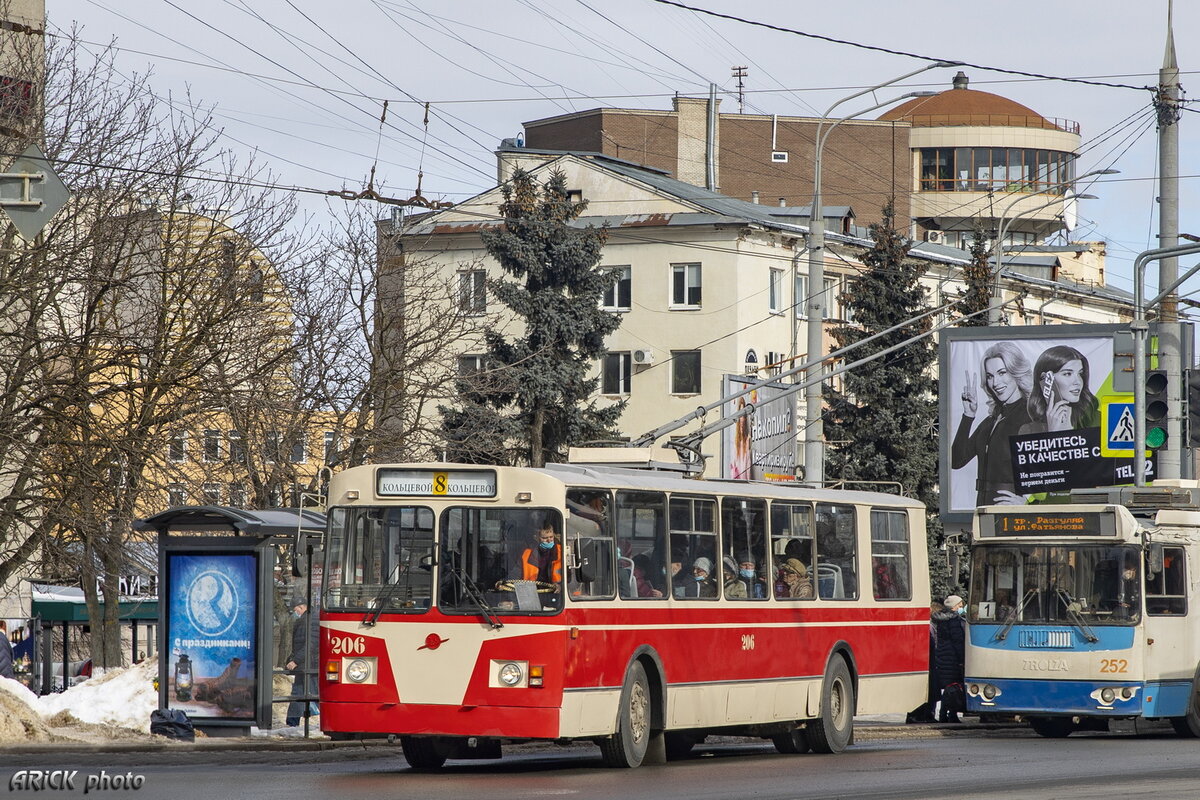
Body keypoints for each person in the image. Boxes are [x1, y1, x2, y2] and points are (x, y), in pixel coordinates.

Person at [950, 342, 1033, 506]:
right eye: (990, 376)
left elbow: (1053, 471)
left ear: (1016, 372)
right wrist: (968, 415)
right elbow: (956, 460)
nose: (995, 382)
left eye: (1002, 373)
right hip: (983, 509)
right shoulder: (991, 421)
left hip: (1011, 516)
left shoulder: (1031, 416)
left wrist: (1028, 503)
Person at [1021, 345, 1099, 435]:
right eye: (1067, 374)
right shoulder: (1029, 430)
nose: (1078, 382)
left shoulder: (1100, 420)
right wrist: (1054, 434)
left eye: (1080, 373)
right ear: (1046, 379)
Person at [285, 597, 320, 727]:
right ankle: (292, 724)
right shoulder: (305, 620)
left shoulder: (312, 620)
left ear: (301, 607)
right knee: (299, 693)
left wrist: (296, 660)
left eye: (296, 610)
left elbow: (311, 644)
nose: (296, 613)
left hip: (309, 664)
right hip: (305, 664)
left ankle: (294, 723)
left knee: (312, 694)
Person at [932, 595, 967, 723]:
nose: (961, 607)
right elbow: (958, 641)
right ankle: (951, 714)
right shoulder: (954, 621)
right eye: (959, 605)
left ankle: (943, 714)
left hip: (943, 657)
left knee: (948, 687)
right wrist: (962, 659)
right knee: (954, 687)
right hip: (953, 659)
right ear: (953, 607)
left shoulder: (941, 620)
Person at [906, 602, 942, 724]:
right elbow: (931, 644)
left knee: (927, 690)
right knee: (928, 689)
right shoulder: (928, 627)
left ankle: (923, 714)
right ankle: (923, 714)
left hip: (925, 661)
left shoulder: (926, 626)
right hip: (927, 662)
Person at [513, 520, 562, 585]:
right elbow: (516, 573)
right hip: (531, 591)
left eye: (551, 537)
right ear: (536, 538)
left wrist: (560, 586)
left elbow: (569, 577)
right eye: (544, 538)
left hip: (557, 593)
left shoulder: (562, 552)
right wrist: (504, 582)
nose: (549, 540)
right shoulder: (526, 554)